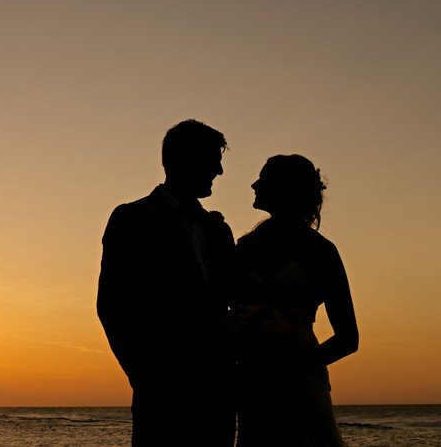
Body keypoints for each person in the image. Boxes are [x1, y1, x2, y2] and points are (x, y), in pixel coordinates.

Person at [97, 119, 236, 446]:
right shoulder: (132, 219)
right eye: (213, 161)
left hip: (218, 392)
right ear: (185, 160)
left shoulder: (218, 230)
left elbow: (231, 301)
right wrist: (142, 375)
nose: (219, 171)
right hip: (160, 393)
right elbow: (112, 306)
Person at [234, 154, 358, 446]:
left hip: (301, 380)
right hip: (252, 377)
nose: (254, 185)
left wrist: (293, 367)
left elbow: (348, 338)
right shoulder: (246, 246)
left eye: (263, 180)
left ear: (285, 190)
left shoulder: (321, 251)